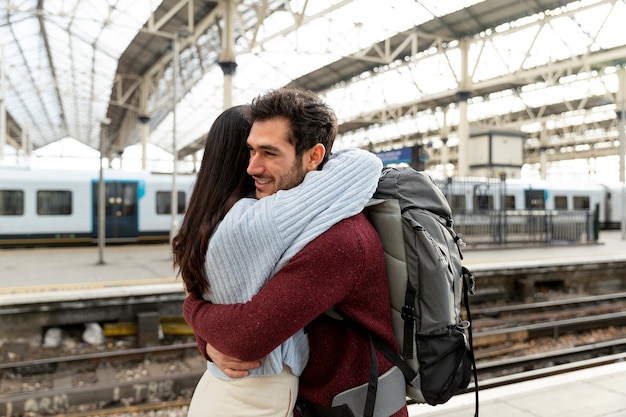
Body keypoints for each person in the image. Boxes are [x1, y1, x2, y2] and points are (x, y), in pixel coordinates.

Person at [183, 88, 409, 417]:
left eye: (270, 153)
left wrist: (192, 308)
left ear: (314, 157)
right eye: (252, 151)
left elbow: (246, 336)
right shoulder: (299, 222)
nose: (252, 167)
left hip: (359, 409)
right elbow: (236, 314)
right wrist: (209, 341)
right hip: (316, 405)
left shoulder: (339, 240)